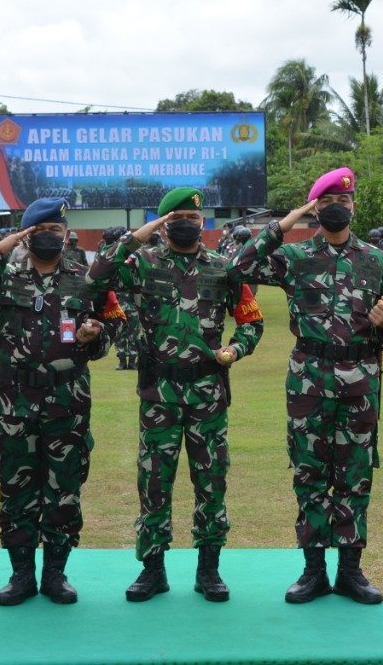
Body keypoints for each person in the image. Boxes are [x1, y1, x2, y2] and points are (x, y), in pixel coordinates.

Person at [230, 167, 383, 606]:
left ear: (354, 206)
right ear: (314, 209)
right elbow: (239, 266)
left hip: (361, 379)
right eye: (326, 202)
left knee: (355, 474)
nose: (337, 208)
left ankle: (350, 570)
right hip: (309, 379)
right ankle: (313, 570)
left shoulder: (375, 258)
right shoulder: (295, 256)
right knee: (309, 473)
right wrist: (284, 223)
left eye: (344, 201)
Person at [89, 187, 264, 603]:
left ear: (203, 222)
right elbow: (97, 274)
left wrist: (236, 349)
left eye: (193, 216)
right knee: (154, 480)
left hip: (207, 392)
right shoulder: (143, 263)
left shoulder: (225, 268)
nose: (187, 222)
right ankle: (152, 570)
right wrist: (138, 235)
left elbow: (251, 321)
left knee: (211, 480)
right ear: (164, 223)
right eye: (177, 216)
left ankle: (209, 569)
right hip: (159, 393)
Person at [0, 197, 124, 607]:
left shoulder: (87, 278)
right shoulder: (4, 275)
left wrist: (94, 339)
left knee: (64, 488)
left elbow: (115, 322)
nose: (49, 236)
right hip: (14, 399)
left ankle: (55, 574)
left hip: (68, 398)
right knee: (15, 488)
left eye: (56, 229)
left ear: (66, 234)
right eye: (39, 229)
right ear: (25, 234)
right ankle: (20, 575)